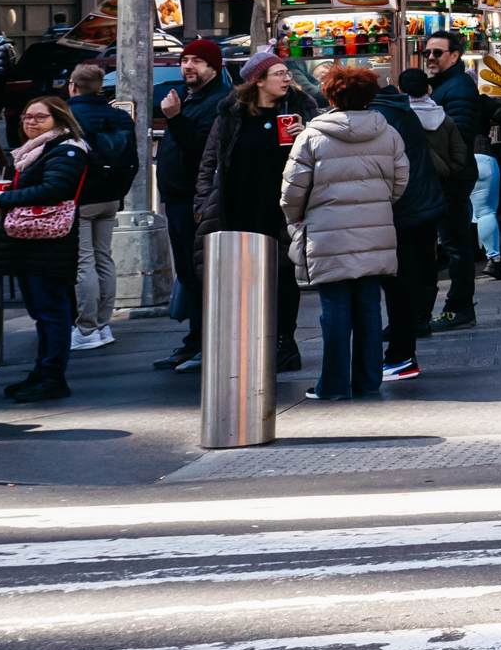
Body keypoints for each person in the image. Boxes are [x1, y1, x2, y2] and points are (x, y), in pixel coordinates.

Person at [277, 63, 408, 402]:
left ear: (331, 95)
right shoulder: (387, 132)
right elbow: (400, 181)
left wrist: (298, 219)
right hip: (375, 231)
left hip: (327, 231)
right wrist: (377, 204)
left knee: (334, 307)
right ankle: (368, 382)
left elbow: (292, 191)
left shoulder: (312, 136)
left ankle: (334, 385)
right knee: (368, 305)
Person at [197, 54, 311, 377]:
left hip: (282, 207)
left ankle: (285, 344)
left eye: (287, 73)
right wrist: (203, 203)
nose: (286, 79)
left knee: (283, 275)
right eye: (278, 74)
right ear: (258, 81)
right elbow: (210, 161)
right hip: (240, 205)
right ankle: (250, 343)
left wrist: (305, 135)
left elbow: (315, 160)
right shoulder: (232, 115)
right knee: (243, 277)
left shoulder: (299, 111)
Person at [0, 94, 90, 405]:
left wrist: (5, 199)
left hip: (51, 242)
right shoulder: (34, 150)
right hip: (30, 240)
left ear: (59, 119)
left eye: (40, 117)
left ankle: (53, 376)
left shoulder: (68, 149)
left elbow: (55, 189)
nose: (31, 122)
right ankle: (42, 371)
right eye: (27, 117)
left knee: (52, 311)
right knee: (41, 312)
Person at [371, 68, 452, 382]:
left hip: (403, 208)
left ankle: (401, 354)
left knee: (399, 283)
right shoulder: (399, 111)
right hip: (422, 204)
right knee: (414, 274)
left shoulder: (381, 119)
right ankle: (414, 330)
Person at [152, 39, 228, 372]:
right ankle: (195, 341)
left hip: (196, 201)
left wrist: (175, 118)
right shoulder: (189, 98)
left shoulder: (218, 102)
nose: (188, 66)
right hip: (178, 199)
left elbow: (201, 150)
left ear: (214, 67)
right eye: (185, 60)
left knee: (201, 275)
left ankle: (205, 344)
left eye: (197, 60)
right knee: (188, 273)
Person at [62, 64, 139, 351]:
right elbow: (134, 158)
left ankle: (86, 329)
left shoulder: (67, 114)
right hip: (110, 195)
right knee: (103, 258)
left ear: (73, 85)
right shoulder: (119, 116)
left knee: (83, 262)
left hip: (81, 196)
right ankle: (103, 325)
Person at [414, 34, 489, 328]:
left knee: (456, 243)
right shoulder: (445, 85)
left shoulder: (457, 86)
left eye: (437, 52)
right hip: (445, 177)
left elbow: (458, 135)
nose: (430, 57)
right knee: (451, 242)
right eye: (427, 53)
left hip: (451, 178)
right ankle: (452, 307)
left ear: (454, 56)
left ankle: (459, 307)